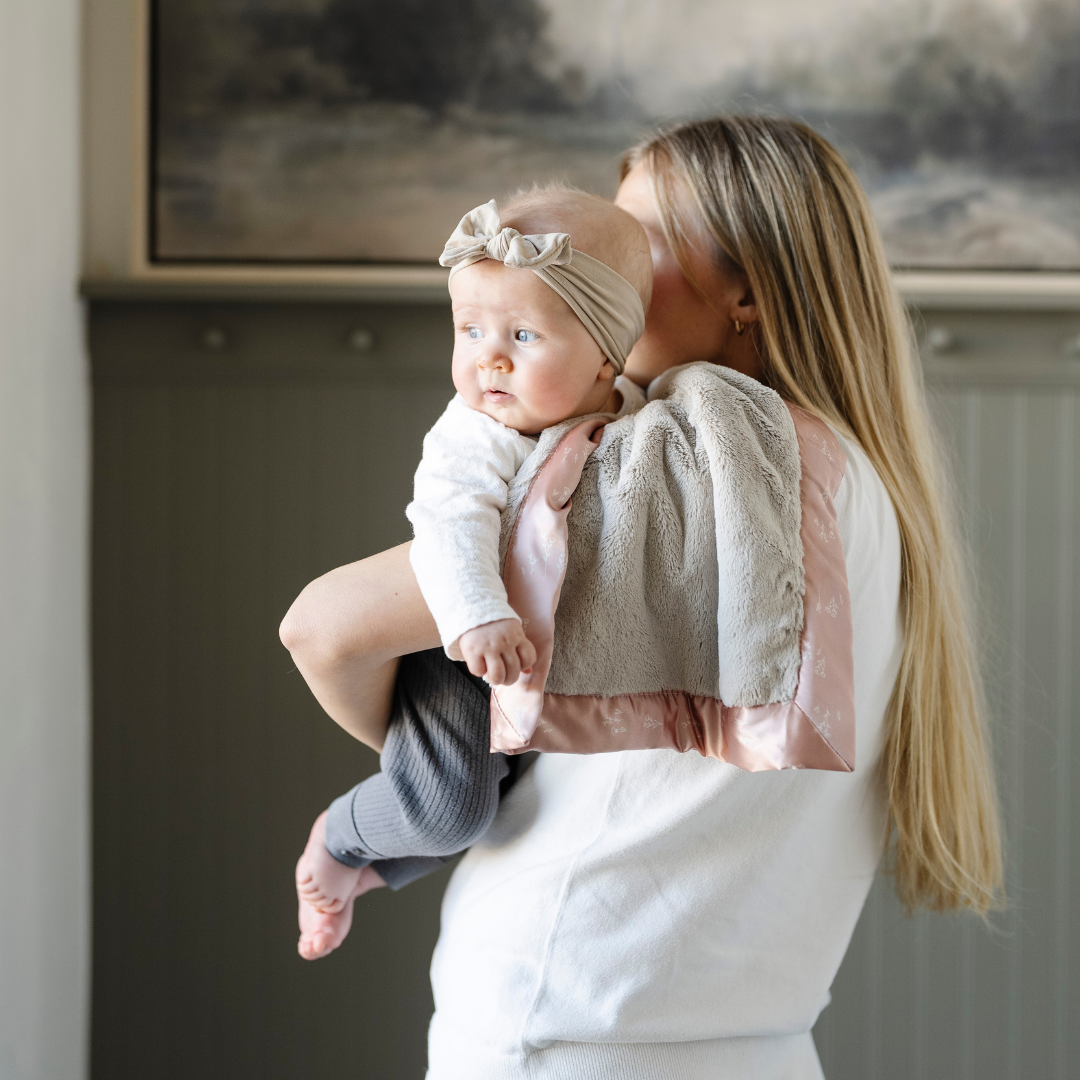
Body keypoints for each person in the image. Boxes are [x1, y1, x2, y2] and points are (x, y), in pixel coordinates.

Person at [280, 116, 1003, 1079]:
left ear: (746, 290)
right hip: (754, 1040)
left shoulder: (679, 468)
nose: (601, 275)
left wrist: (431, 766)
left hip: (572, 1024)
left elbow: (321, 626)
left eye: (638, 246)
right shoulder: (857, 479)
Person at [292, 187, 652, 951]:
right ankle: (343, 836)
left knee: (506, 793)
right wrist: (477, 618)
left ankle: (375, 873)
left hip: (522, 648)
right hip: (456, 646)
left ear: (606, 358)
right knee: (452, 809)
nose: (488, 357)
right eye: (469, 331)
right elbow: (448, 524)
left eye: (522, 334)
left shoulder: (632, 411)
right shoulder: (479, 431)